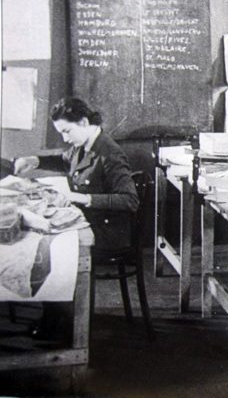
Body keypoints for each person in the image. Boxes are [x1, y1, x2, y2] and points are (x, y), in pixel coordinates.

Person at [14, 97, 139, 341]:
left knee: (57, 246)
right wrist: (36, 160)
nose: (64, 138)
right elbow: (65, 159)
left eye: (67, 131)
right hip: (90, 221)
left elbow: (130, 200)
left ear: (83, 122)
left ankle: (64, 325)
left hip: (108, 231)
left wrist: (80, 198)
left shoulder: (109, 153)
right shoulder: (84, 143)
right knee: (47, 236)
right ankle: (56, 318)